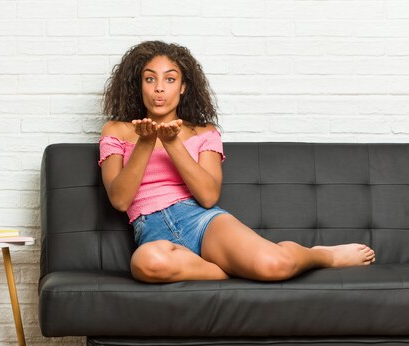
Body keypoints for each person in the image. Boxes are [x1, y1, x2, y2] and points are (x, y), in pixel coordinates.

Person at [99, 40, 375, 283]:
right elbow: (120, 200)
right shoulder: (118, 130)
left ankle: (319, 256)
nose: (159, 88)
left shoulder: (203, 132)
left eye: (170, 79)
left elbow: (208, 197)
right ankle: (232, 270)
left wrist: (172, 144)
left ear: (183, 87)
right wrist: (146, 143)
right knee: (147, 264)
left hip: (201, 221)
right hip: (152, 231)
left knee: (274, 264)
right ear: (139, 85)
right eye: (150, 79)